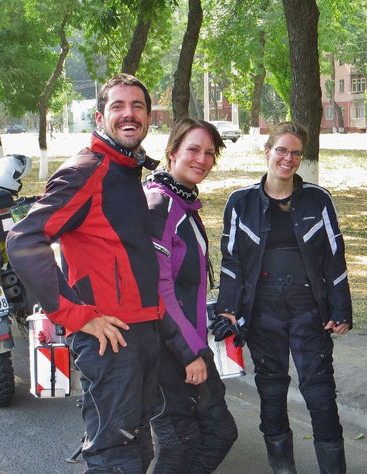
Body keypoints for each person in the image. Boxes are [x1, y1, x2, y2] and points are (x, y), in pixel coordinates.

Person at [6, 73, 163, 473]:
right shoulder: (87, 169)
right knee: (115, 455)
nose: (129, 114)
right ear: (100, 117)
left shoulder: (127, 169)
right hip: (109, 337)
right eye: (118, 107)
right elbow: (24, 241)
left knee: (138, 448)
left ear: (148, 116)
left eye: (138, 106)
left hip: (141, 330)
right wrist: (79, 316)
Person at [214, 121, 352, 474]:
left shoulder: (318, 199)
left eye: (295, 153)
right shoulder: (240, 202)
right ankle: (283, 469)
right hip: (262, 312)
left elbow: (335, 257)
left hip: (310, 308)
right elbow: (231, 261)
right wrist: (228, 309)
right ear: (267, 152)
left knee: (320, 396)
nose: (287, 159)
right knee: (271, 395)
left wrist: (341, 309)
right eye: (281, 150)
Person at [143, 118, 237, 472]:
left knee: (218, 432)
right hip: (169, 352)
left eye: (210, 153)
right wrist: (188, 354)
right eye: (193, 150)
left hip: (191, 343)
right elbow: (159, 290)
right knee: (179, 443)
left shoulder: (182, 203)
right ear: (172, 154)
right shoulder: (159, 205)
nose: (202, 159)